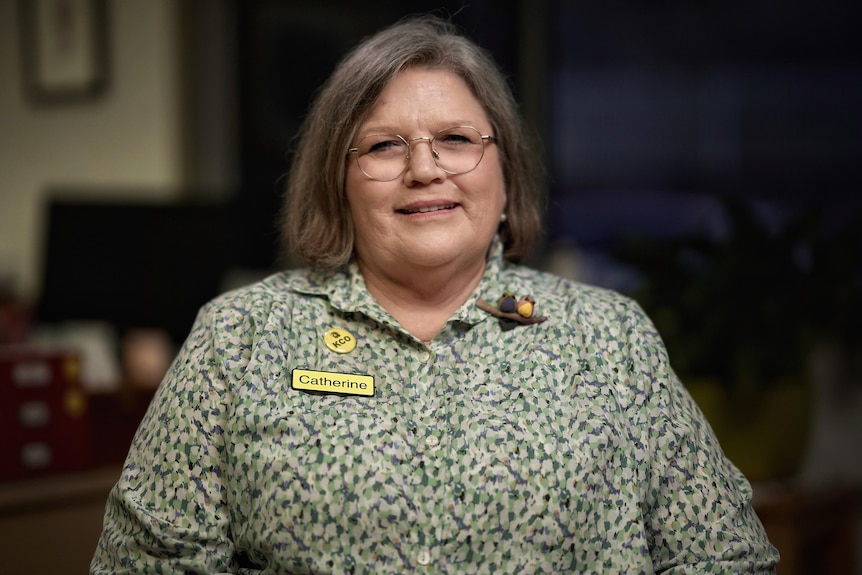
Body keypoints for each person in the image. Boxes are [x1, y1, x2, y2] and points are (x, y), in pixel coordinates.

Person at [91, 15, 779, 574]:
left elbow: (726, 557)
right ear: (337, 181)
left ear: (504, 174)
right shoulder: (238, 338)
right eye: (385, 146)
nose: (425, 169)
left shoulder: (609, 338)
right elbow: (140, 566)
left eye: (455, 139)